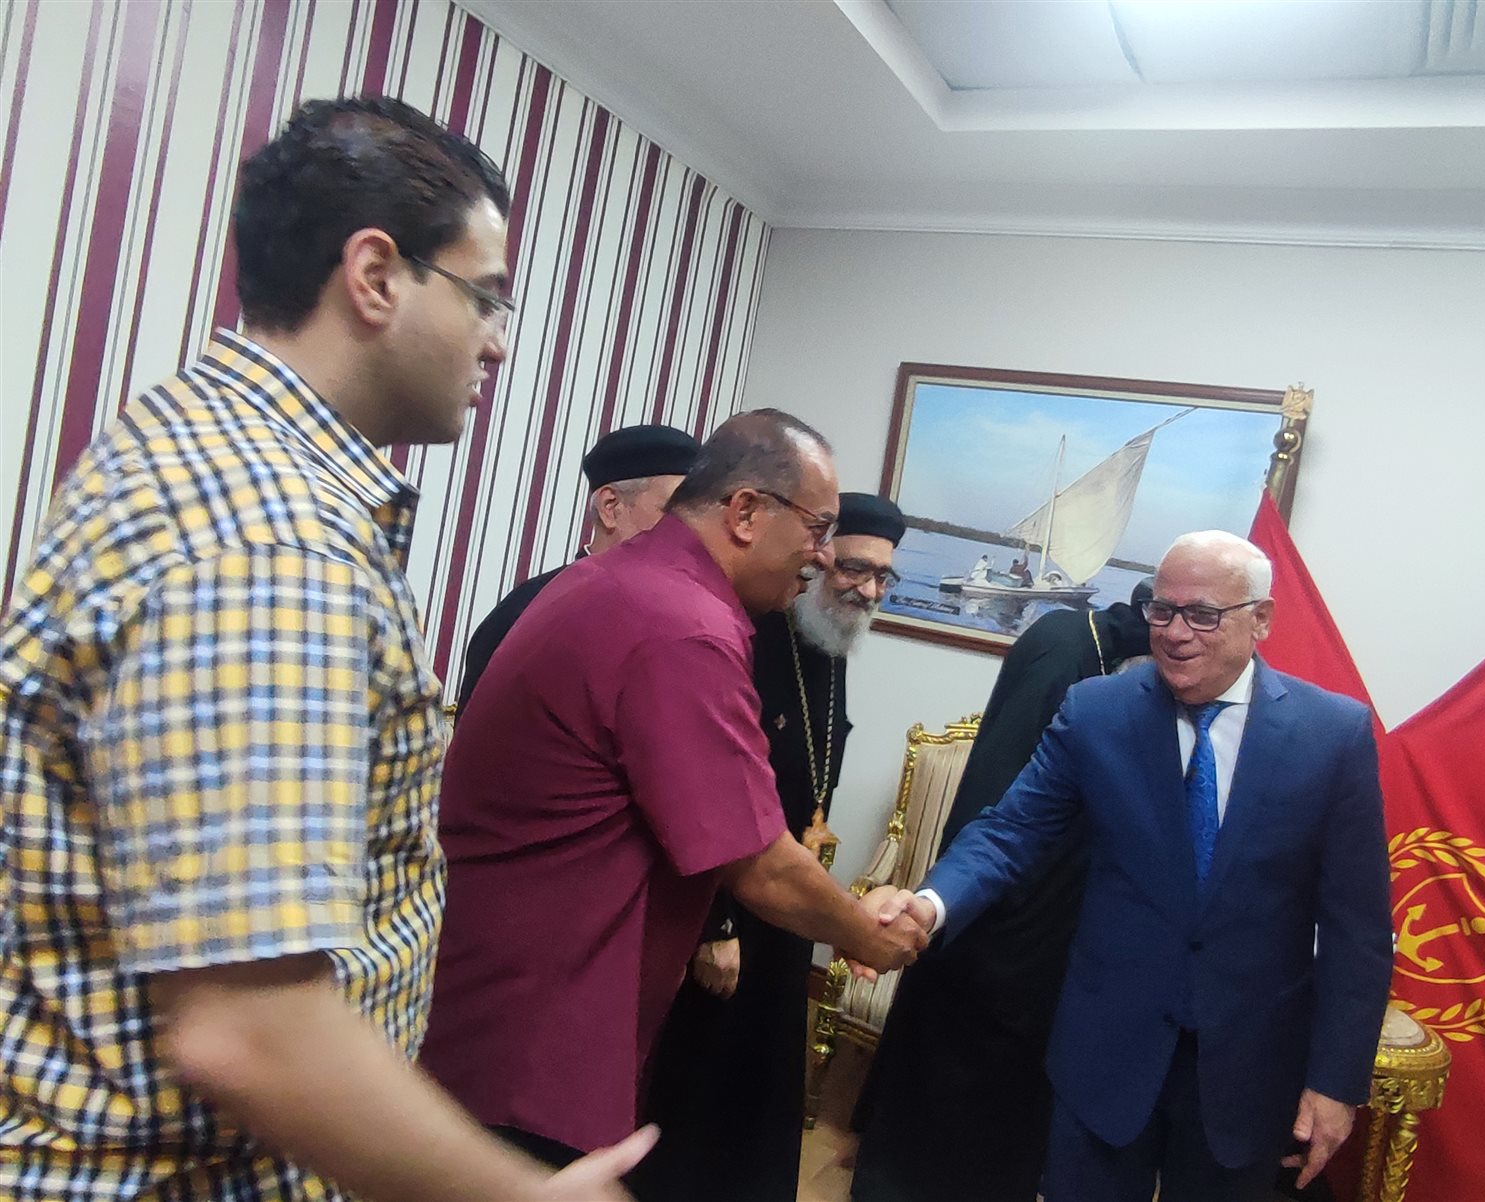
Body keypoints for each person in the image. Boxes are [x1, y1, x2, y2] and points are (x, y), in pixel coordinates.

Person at [0, 97, 652, 1202]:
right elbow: (251, 1030)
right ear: (375, 275)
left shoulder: (199, 443)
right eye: (486, 297)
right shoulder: (271, 542)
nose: (498, 340)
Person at [419, 412, 928, 1173]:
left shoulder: (631, 580)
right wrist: (867, 934)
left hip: (506, 986)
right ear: (746, 512)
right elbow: (759, 864)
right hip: (540, 1015)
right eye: (818, 528)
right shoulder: (680, 626)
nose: (824, 555)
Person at [895, 531, 1392, 1202]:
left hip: (1247, 1069)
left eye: (1203, 615)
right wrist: (930, 905)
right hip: (1105, 1052)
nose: (1176, 633)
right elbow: (1010, 831)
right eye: (1162, 610)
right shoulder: (1097, 712)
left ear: (1261, 620)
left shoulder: (1332, 735)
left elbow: (1358, 931)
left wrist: (1335, 1082)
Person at [639, 492, 906, 1202]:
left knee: (762, 1085)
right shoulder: (748, 634)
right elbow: (689, 791)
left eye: (883, 576)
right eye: (854, 567)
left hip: (786, 903)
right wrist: (712, 926)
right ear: (818, 556)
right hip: (718, 906)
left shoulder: (831, 642)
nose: (867, 590)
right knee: (694, 1088)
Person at [852, 581, 1152, 1202]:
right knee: (956, 1096)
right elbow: (1005, 808)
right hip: (1003, 916)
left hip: (1035, 911)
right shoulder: (1066, 656)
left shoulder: (1088, 645)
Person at [456, 423, 700, 711]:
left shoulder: (693, 614)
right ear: (611, 507)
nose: (692, 530)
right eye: (674, 512)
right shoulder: (527, 612)